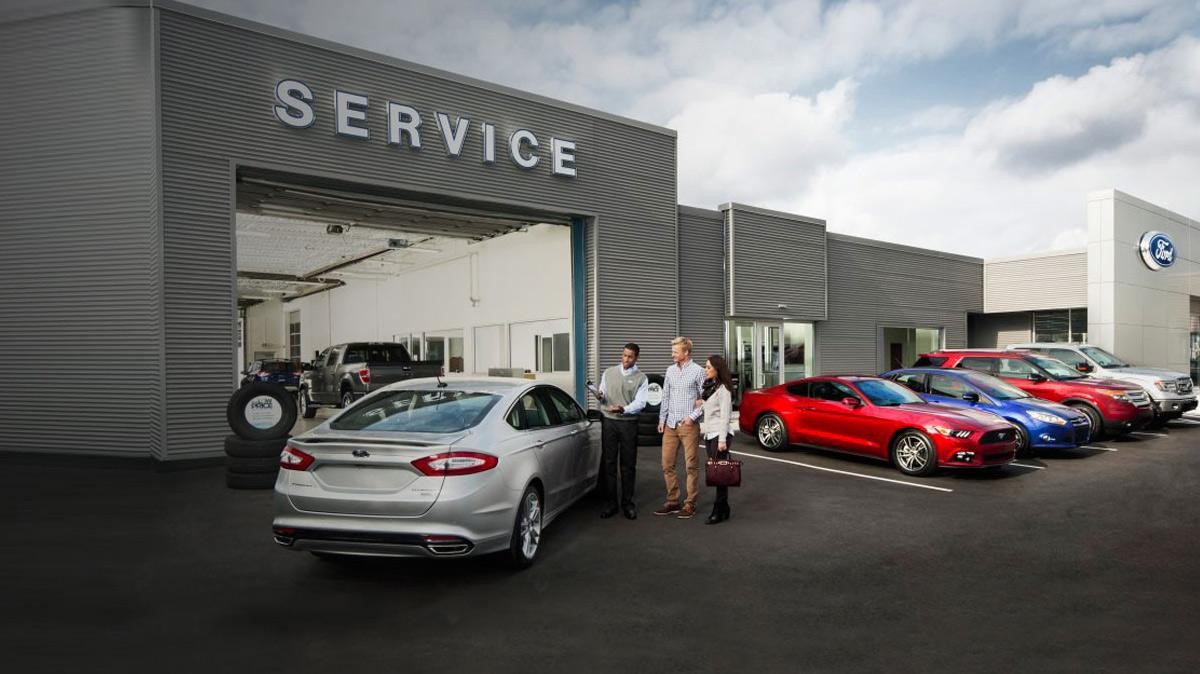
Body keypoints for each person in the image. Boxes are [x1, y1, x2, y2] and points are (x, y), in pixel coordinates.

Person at [592, 343, 649, 520]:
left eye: (630, 357)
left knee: (628, 465)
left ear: (636, 358)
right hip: (609, 422)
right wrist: (599, 395)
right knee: (609, 464)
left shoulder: (642, 378)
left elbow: (640, 403)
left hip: (628, 424)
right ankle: (611, 503)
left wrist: (623, 409)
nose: (625, 359)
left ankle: (627, 503)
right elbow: (603, 392)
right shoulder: (609, 372)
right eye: (624, 355)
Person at [655, 336, 707, 519]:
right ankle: (673, 501)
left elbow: (706, 398)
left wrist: (692, 417)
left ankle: (690, 504)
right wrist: (662, 420)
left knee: (691, 466)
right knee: (667, 464)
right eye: (672, 351)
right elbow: (666, 396)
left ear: (686, 352)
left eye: (675, 351)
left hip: (688, 426)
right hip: (670, 425)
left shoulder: (699, 371)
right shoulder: (670, 370)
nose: (672, 354)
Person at [698, 355, 735, 525]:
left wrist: (722, 440)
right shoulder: (710, 387)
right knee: (717, 473)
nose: (705, 370)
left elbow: (725, 417)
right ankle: (724, 508)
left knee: (719, 475)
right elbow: (708, 410)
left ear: (717, 369)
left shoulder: (724, 389)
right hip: (709, 434)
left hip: (720, 435)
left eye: (708, 367)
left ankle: (717, 509)